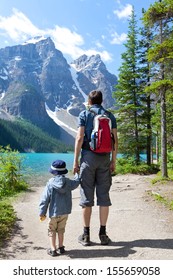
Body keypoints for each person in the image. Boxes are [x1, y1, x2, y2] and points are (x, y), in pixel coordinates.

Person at [73, 90, 118, 246]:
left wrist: (75, 162)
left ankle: (86, 235)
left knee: (86, 197)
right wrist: (114, 161)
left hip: (88, 157)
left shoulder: (84, 114)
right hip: (105, 158)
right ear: (102, 101)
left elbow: (79, 138)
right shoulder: (109, 115)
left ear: (89, 101)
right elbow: (115, 140)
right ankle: (103, 234)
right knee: (103, 197)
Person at [39, 159, 80, 257]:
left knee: (52, 230)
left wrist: (42, 212)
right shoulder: (68, 182)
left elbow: (45, 199)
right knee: (61, 229)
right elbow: (77, 182)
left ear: (53, 172)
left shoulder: (50, 183)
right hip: (65, 212)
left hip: (54, 212)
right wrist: (77, 173)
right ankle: (61, 247)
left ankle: (53, 249)